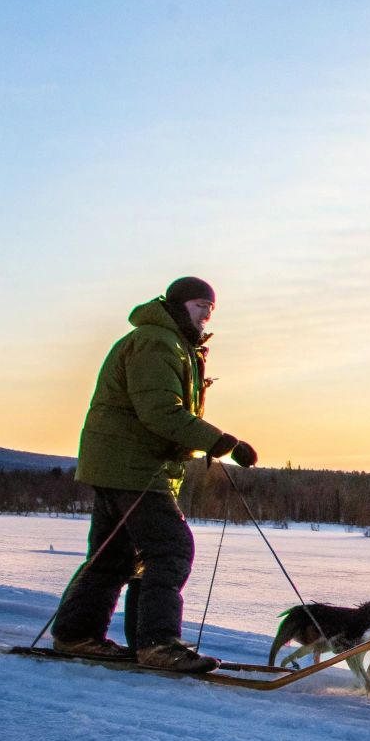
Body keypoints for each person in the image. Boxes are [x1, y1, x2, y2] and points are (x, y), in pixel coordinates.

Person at [48, 277, 259, 672]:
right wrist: (224, 443)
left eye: (211, 309)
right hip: (132, 466)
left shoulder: (172, 343)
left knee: (113, 557)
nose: (206, 314)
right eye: (200, 306)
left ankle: (77, 635)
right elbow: (160, 411)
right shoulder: (156, 342)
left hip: (123, 465)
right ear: (178, 305)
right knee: (170, 549)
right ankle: (158, 645)